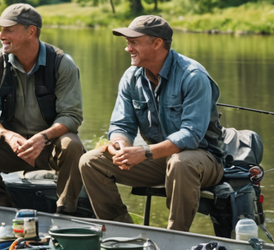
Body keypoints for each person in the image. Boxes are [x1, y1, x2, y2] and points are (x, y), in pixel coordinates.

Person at [79, 16, 225, 231]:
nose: (128, 49)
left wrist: (144, 152)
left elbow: (191, 135)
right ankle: (122, 233)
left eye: (134, 42)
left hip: (203, 159)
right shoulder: (131, 77)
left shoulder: (193, 76)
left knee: (180, 162)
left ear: (157, 43)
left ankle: (175, 237)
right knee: (90, 161)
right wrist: (119, 144)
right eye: (127, 42)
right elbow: (121, 124)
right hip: (159, 157)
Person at [0, 4, 86, 213]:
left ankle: (65, 213)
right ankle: (1, 209)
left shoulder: (62, 64)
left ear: (31, 31)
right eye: (0, 30)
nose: (1, 35)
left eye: (8, 30)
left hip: (50, 144)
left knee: (72, 145)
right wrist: (7, 136)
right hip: (11, 146)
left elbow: (71, 115)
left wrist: (43, 138)